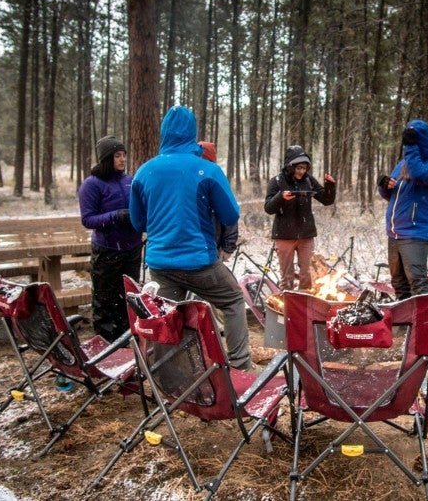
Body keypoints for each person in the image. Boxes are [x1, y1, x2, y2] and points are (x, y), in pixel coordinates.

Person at [129, 106, 253, 371]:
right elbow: (230, 214)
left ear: (164, 134)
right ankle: (240, 367)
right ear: (192, 133)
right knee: (232, 300)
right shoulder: (207, 170)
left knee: (165, 314)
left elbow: (138, 222)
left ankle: (166, 375)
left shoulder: (144, 171)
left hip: (161, 264)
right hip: (200, 261)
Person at [78, 135, 144, 342]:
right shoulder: (92, 184)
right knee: (105, 299)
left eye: (124, 155)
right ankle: (106, 343)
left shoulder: (130, 181)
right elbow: (88, 219)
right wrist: (116, 216)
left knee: (130, 296)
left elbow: (143, 207)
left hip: (132, 248)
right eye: (117, 155)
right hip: (107, 250)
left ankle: (128, 339)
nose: (123, 159)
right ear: (107, 158)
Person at [376, 119, 428, 316]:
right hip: (395, 232)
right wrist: (384, 185)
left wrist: (411, 147)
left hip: (415, 231)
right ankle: (407, 323)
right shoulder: (403, 164)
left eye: (413, 137)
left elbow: (418, 173)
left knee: (417, 280)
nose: (408, 140)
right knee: (399, 282)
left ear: (421, 139)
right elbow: (391, 195)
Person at [264, 145, 336, 291]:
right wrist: (281, 197)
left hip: (306, 235)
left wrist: (330, 186)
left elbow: (326, 200)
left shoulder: (309, 180)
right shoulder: (276, 181)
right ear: (290, 166)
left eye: (304, 168)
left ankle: (304, 307)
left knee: (307, 275)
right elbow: (268, 208)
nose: (301, 172)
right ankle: (287, 308)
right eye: (298, 168)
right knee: (287, 278)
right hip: (284, 236)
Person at [199, 141, 238, 262]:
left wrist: (228, 246)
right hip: (189, 246)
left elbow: (230, 213)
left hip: (212, 245)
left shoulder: (217, 180)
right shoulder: (187, 179)